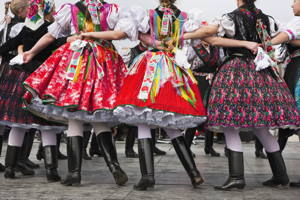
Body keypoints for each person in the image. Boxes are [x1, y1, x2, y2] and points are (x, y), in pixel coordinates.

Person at [183, 0, 300, 190]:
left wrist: (185, 34)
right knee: (261, 127)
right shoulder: (266, 19)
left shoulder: (230, 18)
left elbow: (211, 37)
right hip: (261, 72)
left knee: (230, 124)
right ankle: (281, 176)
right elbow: (276, 38)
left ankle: (237, 177)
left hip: (236, 71)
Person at [22, 0, 139, 187]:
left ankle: (74, 173)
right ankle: (115, 167)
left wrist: (31, 52)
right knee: (98, 118)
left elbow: (51, 35)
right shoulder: (112, 9)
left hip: (77, 62)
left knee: (74, 117)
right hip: (103, 61)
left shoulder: (72, 9)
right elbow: (119, 34)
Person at [112, 0, 209, 190]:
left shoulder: (147, 15)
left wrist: (153, 41)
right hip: (173, 66)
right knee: (171, 124)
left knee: (143, 120)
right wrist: (180, 37)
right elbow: (205, 32)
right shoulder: (184, 17)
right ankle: (194, 173)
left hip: (150, 65)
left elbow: (139, 36)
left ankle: (147, 176)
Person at [0, 0, 67, 182]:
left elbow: (6, 47)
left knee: (17, 124)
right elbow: (58, 44)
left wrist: (14, 59)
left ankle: (10, 168)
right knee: (47, 125)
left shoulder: (26, 28)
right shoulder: (49, 28)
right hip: (41, 79)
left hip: (21, 79)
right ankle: (51, 171)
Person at [270, 0, 300, 188]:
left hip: (298, 72)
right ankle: (278, 173)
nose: (292, 5)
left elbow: (287, 37)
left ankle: (278, 173)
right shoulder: (294, 23)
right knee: (286, 120)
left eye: (295, 1)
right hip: (293, 69)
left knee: (290, 117)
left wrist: (267, 42)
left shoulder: (295, 25)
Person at [0, 0, 29, 173]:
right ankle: (16, 161)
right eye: (28, 9)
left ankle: (17, 160)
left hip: (8, 68)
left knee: (8, 116)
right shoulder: (18, 27)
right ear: (21, 11)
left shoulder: (9, 25)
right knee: (15, 115)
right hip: (14, 69)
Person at [186, 38, 221, 157]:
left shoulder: (216, 48)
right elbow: (186, 62)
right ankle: (186, 146)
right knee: (196, 113)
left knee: (210, 113)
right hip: (198, 81)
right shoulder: (194, 47)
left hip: (212, 81)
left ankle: (209, 147)